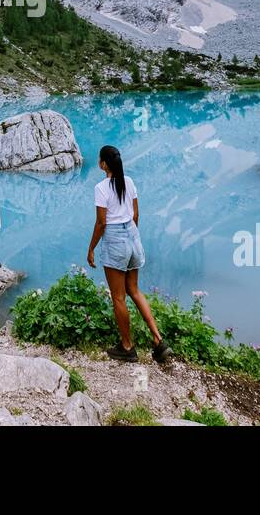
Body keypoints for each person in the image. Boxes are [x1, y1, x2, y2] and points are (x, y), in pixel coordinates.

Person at [87, 144, 170, 363]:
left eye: (99, 159)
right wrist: (131, 237)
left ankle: (127, 346)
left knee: (118, 297)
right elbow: (136, 214)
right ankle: (158, 339)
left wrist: (91, 248)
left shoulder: (101, 187)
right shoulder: (129, 181)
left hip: (115, 240)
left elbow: (101, 222)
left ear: (103, 164)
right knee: (134, 289)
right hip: (133, 236)